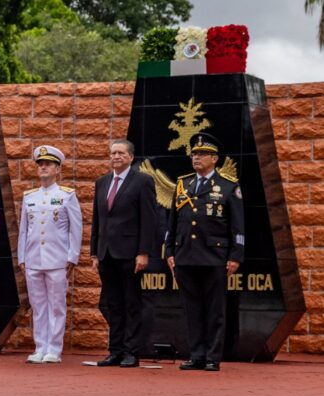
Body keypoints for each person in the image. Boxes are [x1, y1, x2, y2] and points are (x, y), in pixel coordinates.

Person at [166, 132, 244, 372]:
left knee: (214, 310)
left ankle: (212, 356)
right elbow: (173, 222)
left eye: (202, 154)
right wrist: (169, 251)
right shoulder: (184, 184)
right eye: (194, 154)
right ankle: (196, 354)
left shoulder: (228, 186)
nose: (196, 157)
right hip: (185, 256)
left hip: (214, 257)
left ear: (215, 159)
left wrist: (235, 256)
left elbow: (237, 226)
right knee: (192, 310)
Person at [90, 139, 156, 368]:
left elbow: (149, 220)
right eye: (112, 153)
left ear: (130, 157)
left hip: (130, 254)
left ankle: (131, 351)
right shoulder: (102, 182)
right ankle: (115, 350)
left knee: (131, 303)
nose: (115, 157)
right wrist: (94, 253)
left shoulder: (143, 181)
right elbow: (98, 220)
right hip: (106, 253)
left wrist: (144, 252)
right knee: (112, 304)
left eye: (120, 153)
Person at [18, 145, 82, 364]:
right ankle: (40, 347)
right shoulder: (29, 197)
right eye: (41, 164)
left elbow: (76, 228)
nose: (43, 168)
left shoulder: (67, 195)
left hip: (57, 259)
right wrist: (22, 257)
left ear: (57, 169)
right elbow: (23, 230)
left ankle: (54, 348)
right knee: (38, 306)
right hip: (34, 257)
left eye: (48, 164)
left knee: (56, 305)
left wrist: (72, 256)